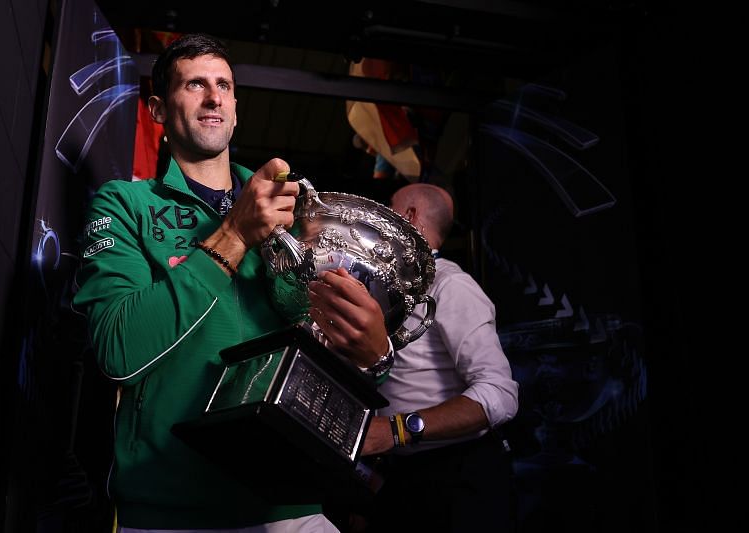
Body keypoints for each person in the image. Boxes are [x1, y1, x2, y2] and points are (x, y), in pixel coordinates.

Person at [73, 33, 392, 532]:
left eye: (223, 84)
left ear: (236, 109)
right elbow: (118, 351)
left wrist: (374, 357)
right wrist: (232, 234)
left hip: (291, 506)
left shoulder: (300, 216)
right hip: (172, 508)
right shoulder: (125, 205)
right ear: (158, 109)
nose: (213, 96)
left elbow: (328, 356)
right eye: (195, 84)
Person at [360, 183, 520, 532]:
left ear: (410, 216)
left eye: (388, 206)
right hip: (404, 476)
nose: (376, 216)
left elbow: (500, 395)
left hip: (458, 477)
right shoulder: (388, 290)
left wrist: (396, 430)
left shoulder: (451, 286)